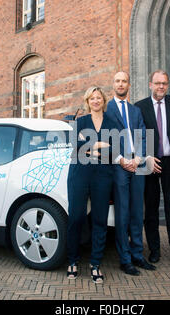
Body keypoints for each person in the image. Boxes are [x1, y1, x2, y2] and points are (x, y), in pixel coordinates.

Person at [105, 71, 155, 276]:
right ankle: (125, 259)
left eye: (124, 81)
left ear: (129, 85)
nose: (120, 84)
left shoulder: (135, 111)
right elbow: (105, 138)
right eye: (117, 81)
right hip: (119, 166)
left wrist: (139, 159)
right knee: (123, 213)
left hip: (138, 164)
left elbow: (144, 136)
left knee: (137, 212)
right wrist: (122, 160)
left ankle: (137, 255)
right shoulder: (107, 109)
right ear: (113, 84)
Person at [134, 70, 170, 267]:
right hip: (149, 163)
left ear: (168, 84)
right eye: (157, 83)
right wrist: (146, 157)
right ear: (150, 84)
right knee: (151, 210)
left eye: (164, 83)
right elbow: (137, 136)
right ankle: (154, 250)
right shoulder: (139, 107)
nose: (161, 87)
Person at [66, 86, 115, 284]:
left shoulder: (111, 122)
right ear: (87, 101)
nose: (95, 101)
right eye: (92, 98)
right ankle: (72, 260)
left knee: (100, 220)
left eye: (98, 98)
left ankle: (95, 263)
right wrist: (98, 145)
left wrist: (87, 145)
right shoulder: (80, 122)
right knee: (76, 217)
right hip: (79, 173)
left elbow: (114, 146)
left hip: (103, 175)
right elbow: (73, 144)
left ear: (103, 101)